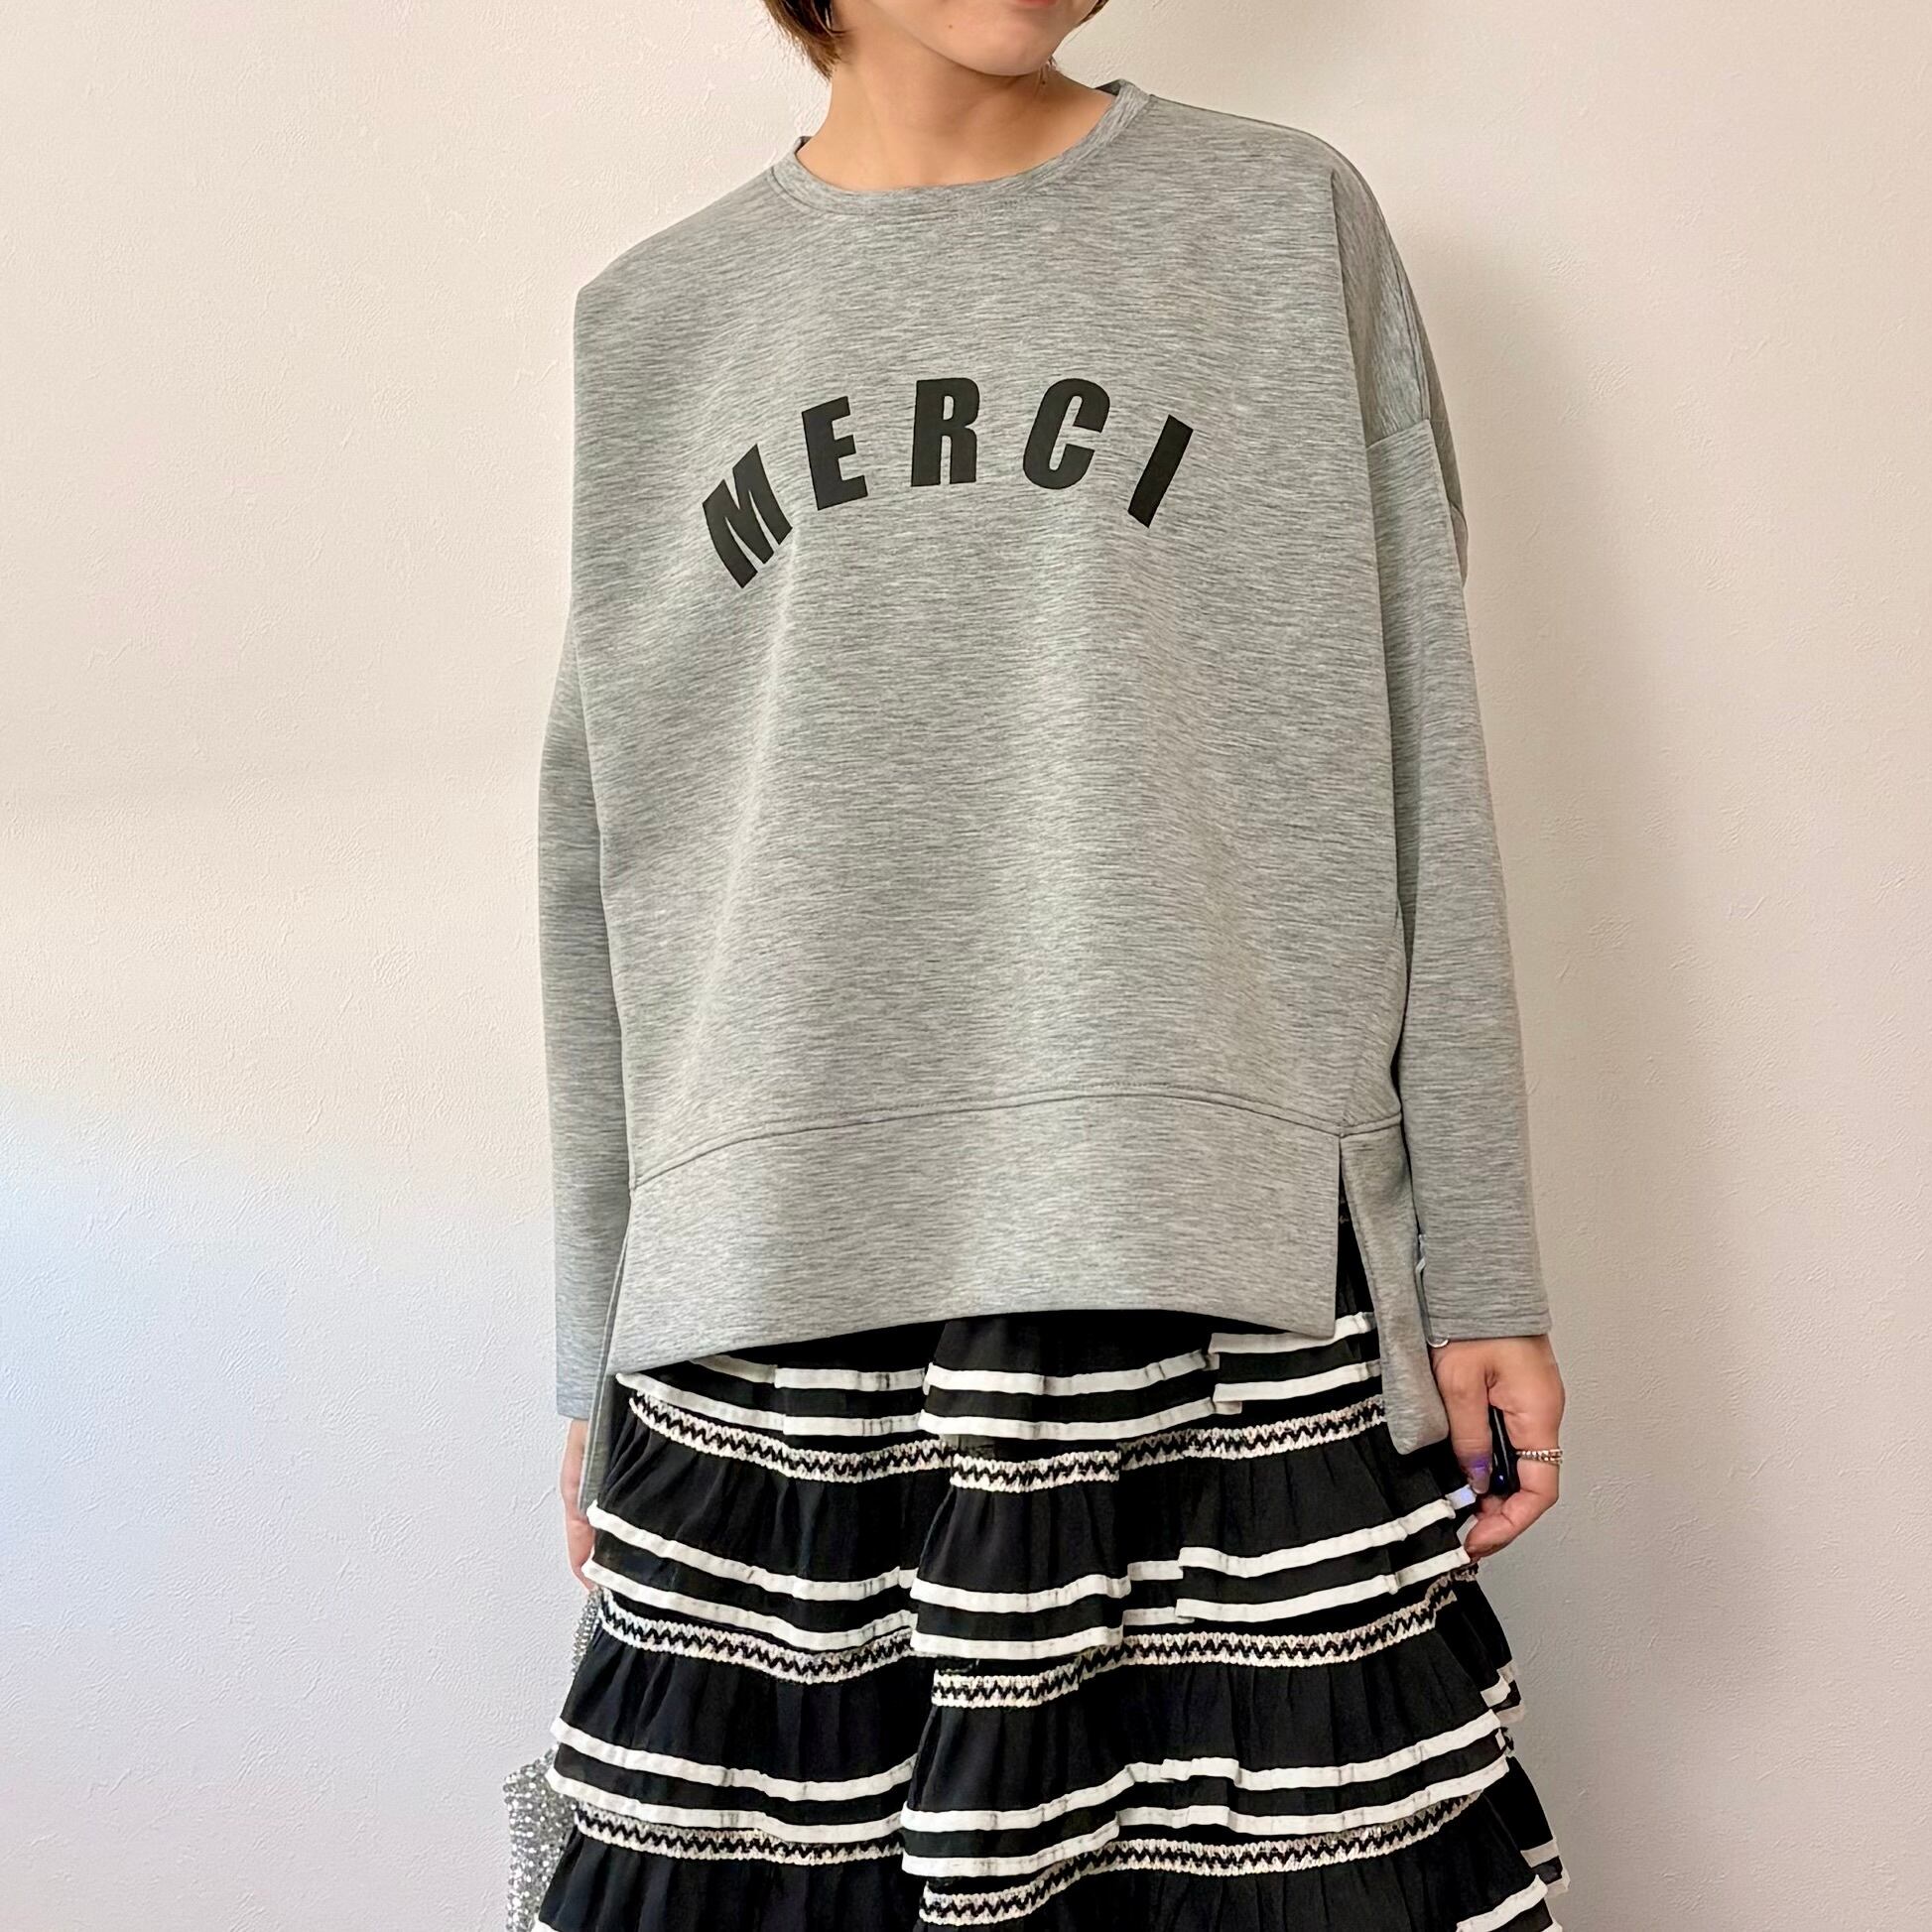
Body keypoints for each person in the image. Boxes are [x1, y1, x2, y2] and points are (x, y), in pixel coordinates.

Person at [531, 4, 1570, 1927]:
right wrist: (603, 1322)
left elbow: (1416, 741)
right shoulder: (654, 320)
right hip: (776, 1296)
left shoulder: (1276, 224)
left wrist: (1480, 1256)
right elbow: (606, 860)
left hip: (1214, 1270)